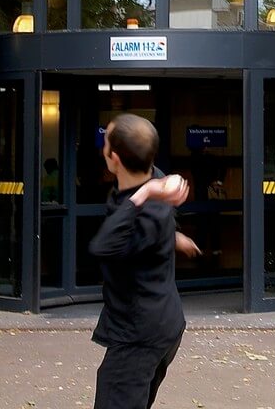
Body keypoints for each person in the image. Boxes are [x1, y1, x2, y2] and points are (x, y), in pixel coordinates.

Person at [88, 113, 199, 409]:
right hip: (163, 325)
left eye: (105, 142)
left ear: (114, 159)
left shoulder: (146, 202)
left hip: (139, 335)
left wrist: (145, 192)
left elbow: (103, 246)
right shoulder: (156, 184)